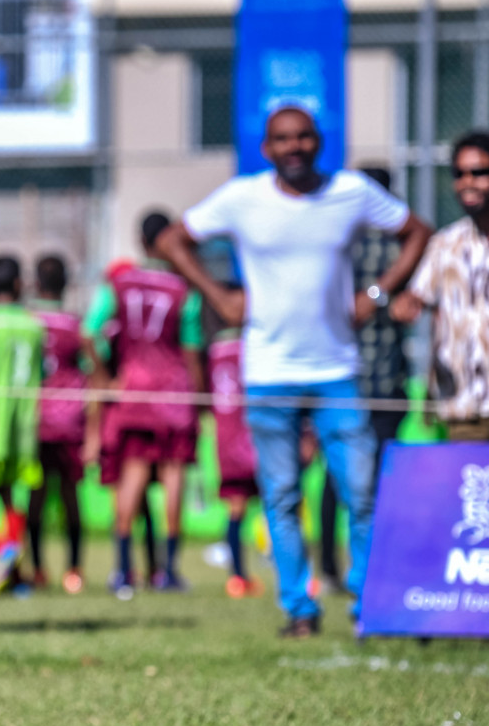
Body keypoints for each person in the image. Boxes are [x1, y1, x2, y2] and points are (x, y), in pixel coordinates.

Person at [156, 106, 431, 637]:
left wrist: (375, 295)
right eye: (283, 139)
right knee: (281, 496)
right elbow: (172, 240)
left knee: (362, 491)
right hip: (268, 371)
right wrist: (220, 295)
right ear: (267, 148)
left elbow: (416, 231)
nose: (294, 147)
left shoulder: (350, 191)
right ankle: (298, 610)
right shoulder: (242, 197)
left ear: (319, 142)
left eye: (304, 137)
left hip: (337, 370)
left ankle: (367, 603)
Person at [85, 212, 204, 597]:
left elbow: (88, 331)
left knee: (131, 477)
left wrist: (105, 376)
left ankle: (123, 570)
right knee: (173, 480)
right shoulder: (185, 290)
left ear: (140, 239)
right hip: (174, 394)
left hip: (133, 393)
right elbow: (190, 352)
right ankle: (168, 572)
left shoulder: (118, 283)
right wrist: (198, 400)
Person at [317, 166, 410, 592]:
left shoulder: (337, 243)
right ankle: (375, 565)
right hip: (384, 380)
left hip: (339, 379)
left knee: (336, 478)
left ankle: (332, 568)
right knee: (379, 480)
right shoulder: (399, 247)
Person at [391, 130, 489, 440]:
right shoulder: (445, 243)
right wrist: (405, 304)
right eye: (459, 174)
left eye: (478, 172)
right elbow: (417, 297)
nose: (467, 182)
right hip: (462, 406)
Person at [0, 256, 43, 593]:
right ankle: (16, 575)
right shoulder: (34, 325)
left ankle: (4, 549)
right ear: (18, 285)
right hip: (25, 425)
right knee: (13, 496)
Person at [29, 254, 91, 595]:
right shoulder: (76, 326)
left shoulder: (28, 321)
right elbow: (91, 369)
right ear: (66, 284)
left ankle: (37, 568)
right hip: (70, 423)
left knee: (36, 497)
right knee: (70, 497)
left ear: (36, 283)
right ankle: (74, 569)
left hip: (35, 421)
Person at [205, 309, 264, 599]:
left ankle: (238, 576)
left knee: (236, 508)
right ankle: (296, 576)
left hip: (226, 439)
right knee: (280, 505)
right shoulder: (254, 346)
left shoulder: (214, 350)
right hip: (256, 434)